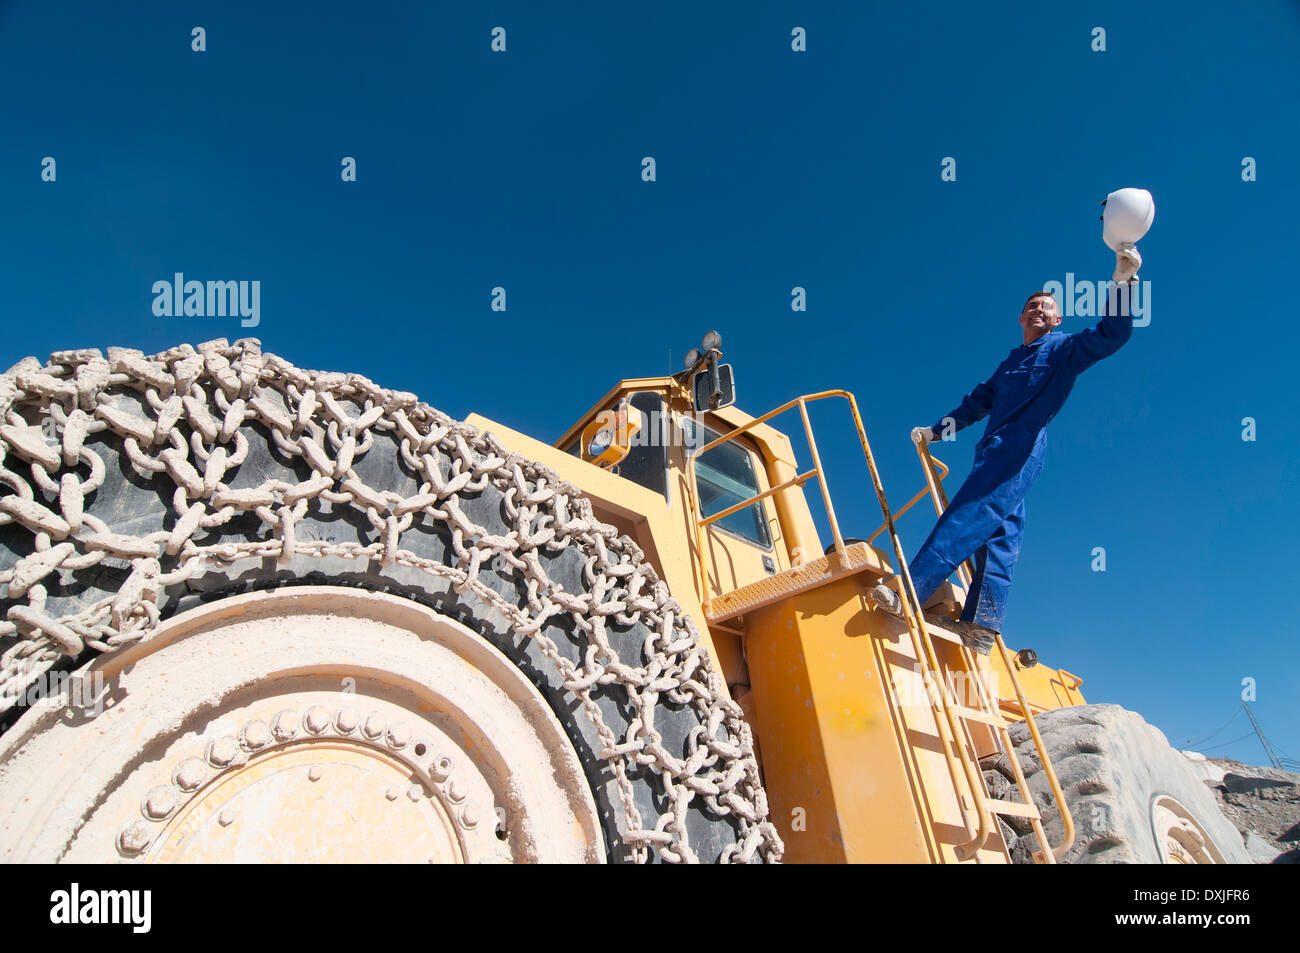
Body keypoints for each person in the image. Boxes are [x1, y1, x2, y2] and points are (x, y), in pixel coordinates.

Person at [870, 244, 1142, 654]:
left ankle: (910, 591)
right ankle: (981, 626)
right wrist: (934, 432)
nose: (1038, 311)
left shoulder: (1063, 349)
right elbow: (974, 405)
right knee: (1001, 535)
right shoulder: (1008, 364)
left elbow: (1111, 336)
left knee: (969, 513)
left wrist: (1122, 284)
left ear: (1057, 320)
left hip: (1018, 448)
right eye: (1032, 305)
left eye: (1047, 307)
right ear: (1021, 317)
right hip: (995, 450)